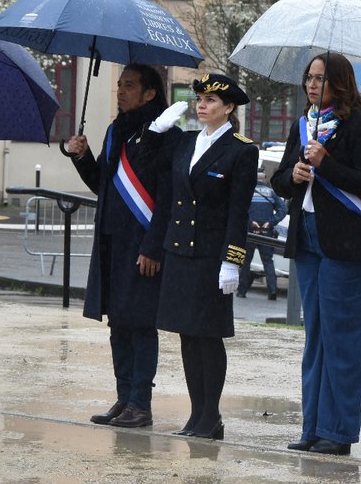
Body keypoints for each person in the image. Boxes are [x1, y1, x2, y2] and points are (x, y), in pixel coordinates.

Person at [271, 52, 361, 456]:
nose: (312, 84)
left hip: (351, 244)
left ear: (340, 81)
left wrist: (326, 163)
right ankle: (312, 428)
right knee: (315, 337)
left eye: (320, 78)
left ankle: (337, 432)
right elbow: (280, 179)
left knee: (342, 340)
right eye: (309, 77)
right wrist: (294, 175)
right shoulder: (304, 125)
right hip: (309, 238)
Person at [65, 64, 178, 429]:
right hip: (112, 240)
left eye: (129, 86)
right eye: (119, 85)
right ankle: (123, 398)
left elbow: (166, 197)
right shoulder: (117, 130)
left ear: (149, 93)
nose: (120, 91)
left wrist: (154, 246)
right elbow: (104, 184)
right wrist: (81, 156)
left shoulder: (162, 133)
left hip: (142, 242)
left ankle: (140, 404)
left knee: (140, 324)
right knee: (119, 323)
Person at [148, 73, 259, 440]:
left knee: (208, 336)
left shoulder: (242, 150)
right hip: (180, 251)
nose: (202, 105)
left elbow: (237, 211)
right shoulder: (184, 142)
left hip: (212, 257)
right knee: (187, 336)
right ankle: (196, 415)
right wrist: (157, 129)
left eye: (211, 100)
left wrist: (233, 260)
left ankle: (211, 416)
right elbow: (148, 163)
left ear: (228, 108)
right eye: (200, 99)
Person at [236, 172, 286, 300]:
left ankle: (242, 291)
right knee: (268, 262)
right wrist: (271, 222)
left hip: (251, 232)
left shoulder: (248, 192)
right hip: (266, 232)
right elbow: (283, 209)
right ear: (264, 179)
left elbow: (240, 209)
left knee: (246, 262)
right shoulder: (271, 193)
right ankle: (273, 291)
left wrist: (250, 222)